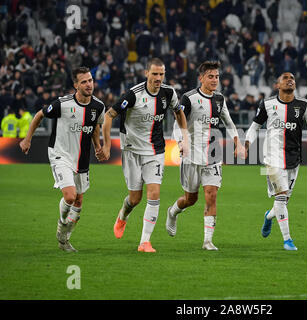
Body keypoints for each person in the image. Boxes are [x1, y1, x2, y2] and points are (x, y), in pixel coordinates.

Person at [98, 57, 188, 253]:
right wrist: (106, 145)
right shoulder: (133, 95)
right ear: (146, 73)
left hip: (155, 150)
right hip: (131, 150)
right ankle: (123, 215)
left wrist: (184, 137)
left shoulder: (169, 93)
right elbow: (108, 115)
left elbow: (178, 112)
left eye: (161, 74)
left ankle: (144, 242)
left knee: (154, 194)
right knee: (135, 198)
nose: (158, 78)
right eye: (154, 74)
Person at [19, 67, 105, 252]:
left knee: (79, 202)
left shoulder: (98, 106)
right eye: (84, 81)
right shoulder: (62, 104)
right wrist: (27, 139)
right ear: (75, 85)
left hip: (81, 159)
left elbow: (95, 127)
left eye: (90, 80)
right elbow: (40, 115)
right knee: (70, 196)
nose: (89, 84)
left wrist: (98, 147)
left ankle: (64, 239)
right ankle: (61, 227)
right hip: (60, 154)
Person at [166, 61, 246, 251]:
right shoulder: (189, 98)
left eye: (217, 76)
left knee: (211, 195)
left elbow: (229, 123)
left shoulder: (219, 99)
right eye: (210, 76)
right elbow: (178, 123)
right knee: (190, 199)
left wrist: (239, 143)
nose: (215, 80)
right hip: (191, 154)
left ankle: (207, 241)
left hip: (213, 154)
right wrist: (181, 142)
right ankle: (173, 212)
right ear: (201, 78)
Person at [244, 72, 307, 251]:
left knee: (283, 202)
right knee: (281, 197)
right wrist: (246, 144)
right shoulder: (267, 104)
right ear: (277, 85)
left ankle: (269, 216)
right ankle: (287, 240)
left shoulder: (303, 105)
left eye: (293, 78)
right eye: (285, 78)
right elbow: (254, 127)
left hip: (294, 158)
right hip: (272, 158)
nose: (290, 80)